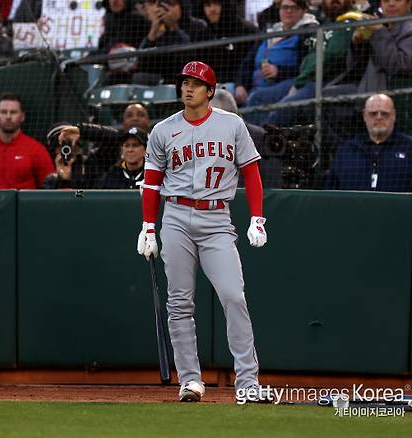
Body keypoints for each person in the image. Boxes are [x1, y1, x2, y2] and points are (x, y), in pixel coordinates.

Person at [136, 61, 270, 403]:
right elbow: (151, 184)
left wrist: (257, 217)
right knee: (179, 303)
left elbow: (251, 173)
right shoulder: (163, 130)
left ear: (210, 90)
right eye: (184, 82)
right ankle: (191, 381)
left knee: (233, 296)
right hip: (177, 215)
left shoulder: (232, 125)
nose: (188, 88)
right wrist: (148, 227)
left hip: (217, 219)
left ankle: (248, 382)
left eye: (196, 83)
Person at [265, 0, 358, 126]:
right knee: (258, 98)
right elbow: (309, 58)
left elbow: (331, 56)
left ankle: (260, 142)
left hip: (326, 81)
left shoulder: (351, 20)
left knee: (280, 113)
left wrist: (299, 82)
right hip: (304, 79)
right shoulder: (325, 22)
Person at [324, 93, 412, 192]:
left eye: (384, 113)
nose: (379, 117)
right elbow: (331, 194)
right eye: (373, 114)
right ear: (364, 116)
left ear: (394, 115)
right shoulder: (346, 151)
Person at [234, 0, 318, 125]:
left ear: (303, 10)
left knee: (257, 97)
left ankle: (256, 140)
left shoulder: (309, 31)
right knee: (223, 94)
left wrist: (279, 71)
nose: (288, 11)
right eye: (285, 7)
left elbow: (305, 67)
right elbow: (248, 62)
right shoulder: (270, 31)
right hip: (253, 83)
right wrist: (240, 85)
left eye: (293, 7)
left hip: (287, 81)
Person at [56, 103, 152, 181]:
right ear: (123, 123)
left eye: (141, 115)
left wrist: (81, 130)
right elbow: (109, 135)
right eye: (129, 115)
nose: (135, 118)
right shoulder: (110, 163)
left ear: (149, 121)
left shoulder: (162, 145)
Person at [0, 93, 53, 189]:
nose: (8, 116)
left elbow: (52, 188)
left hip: (24, 203)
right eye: (3, 112)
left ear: (22, 116)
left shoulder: (36, 150)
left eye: (13, 112)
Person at [196, 0, 258, 85]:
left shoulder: (246, 29)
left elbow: (249, 64)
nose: (212, 9)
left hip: (239, 85)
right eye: (207, 5)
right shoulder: (202, 35)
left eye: (216, 4)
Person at [135, 0, 192, 84]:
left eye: (171, 5)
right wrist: (153, 29)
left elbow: (188, 56)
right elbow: (140, 63)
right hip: (156, 81)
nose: (164, 11)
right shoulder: (146, 29)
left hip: (179, 79)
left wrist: (174, 27)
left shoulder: (195, 25)